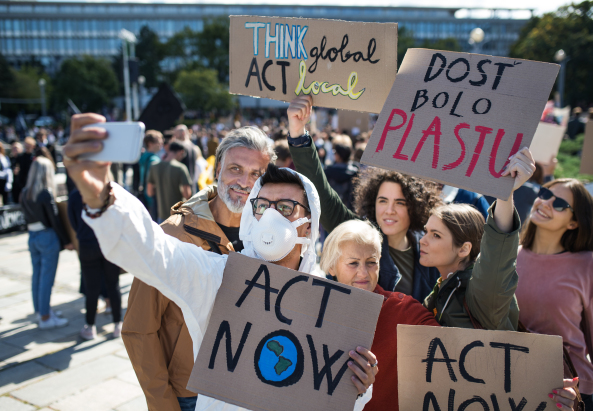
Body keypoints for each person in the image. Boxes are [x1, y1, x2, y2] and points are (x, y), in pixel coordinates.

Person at [64, 113, 375, 411]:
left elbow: (340, 394)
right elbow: (157, 252)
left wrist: (361, 386)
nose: (270, 217)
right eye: (263, 205)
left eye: (284, 207)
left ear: (308, 223)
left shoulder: (327, 299)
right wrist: (104, 199)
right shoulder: (222, 276)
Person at [123, 127, 274, 411]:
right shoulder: (172, 235)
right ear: (218, 169)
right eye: (236, 169)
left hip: (249, 389)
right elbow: (138, 329)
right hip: (191, 395)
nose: (245, 182)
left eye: (257, 174)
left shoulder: (271, 237)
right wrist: (163, 405)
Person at [287, 95, 441, 302]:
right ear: (372, 203)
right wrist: (298, 135)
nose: (389, 210)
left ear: (415, 207)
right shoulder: (356, 234)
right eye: (383, 201)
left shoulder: (429, 248)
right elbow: (321, 191)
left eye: (400, 203)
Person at [321, 219, 439, 411]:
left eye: (371, 263)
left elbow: (453, 349)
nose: (363, 273)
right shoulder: (312, 308)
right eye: (353, 263)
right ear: (331, 267)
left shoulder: (402, 309)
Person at [419, 148, 535, 331]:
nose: (422, 240)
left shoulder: (481, 288)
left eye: (435, 235)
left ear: (464, 249)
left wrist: (505, 192)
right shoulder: (444, 285)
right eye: (425, 232)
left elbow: (497, 254)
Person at [516, 178, 593, 411]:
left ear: (574, 223)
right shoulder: (511, 255)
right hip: (513, 386)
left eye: (560, 203)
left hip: (569, 396)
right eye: (544, 193)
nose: (545, 203)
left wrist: (583, 395)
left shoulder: (590, 266)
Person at [20, 157, 73, 329]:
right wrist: (67, 241)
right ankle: (45, 316)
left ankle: (41, 311)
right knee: (46, 279)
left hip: (32, 236)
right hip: (46, 237)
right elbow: (55, 220)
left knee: (37, 276)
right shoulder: (45, 193)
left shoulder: (24, 192)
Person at [68, 187, 123, 340]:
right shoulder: (108, 191)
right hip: (108, 242)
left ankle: (90, 326)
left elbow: (72, 221)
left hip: (87, 243)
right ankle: (118, 324)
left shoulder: (76, 194)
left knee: (91, 288)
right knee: (113, 284)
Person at [147, 141, 193, 223]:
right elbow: (187, 194)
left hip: (160, 215)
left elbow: (150, 192)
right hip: (177, 215)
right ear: (180, 152)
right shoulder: (181, 168)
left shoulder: (154, 166)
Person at [325, 135, 359, 211]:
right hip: (349, 213)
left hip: (331, 212)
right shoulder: (356, 173)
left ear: (337, 155)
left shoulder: (327, 172)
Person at [138, 130, 163, 219]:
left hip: (144, 194)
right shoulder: (154, 160)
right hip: (151, 197)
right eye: (159, 142)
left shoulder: (143, 157)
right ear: (150, 143)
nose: (161, 143)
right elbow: (153, 181)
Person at [13, 137, 37, 202]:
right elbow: (15, 165)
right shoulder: (21, 156)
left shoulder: (35, 156)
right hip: (22, 182)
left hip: (32, 181)